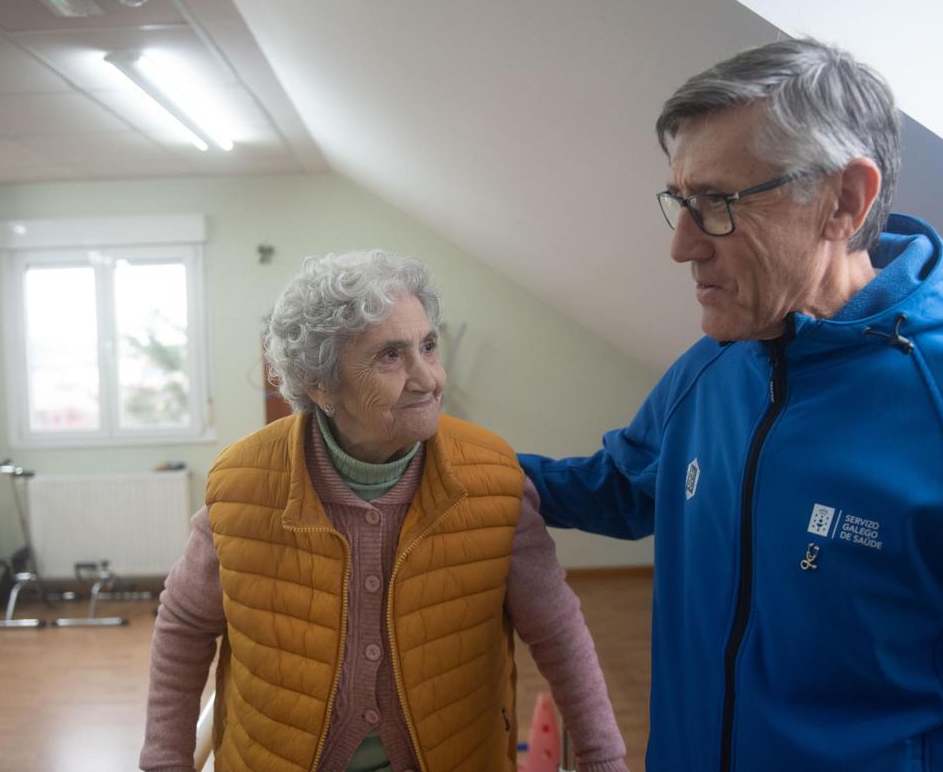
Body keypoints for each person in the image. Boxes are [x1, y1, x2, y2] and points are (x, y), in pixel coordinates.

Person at [519, 38, 943, 772]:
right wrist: (445, 459)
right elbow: (618, 485)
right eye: (681, 201)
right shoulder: (711, 367)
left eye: (716, 204)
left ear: (844, 201)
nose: (681, 246)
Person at [141, 250, 629, 772]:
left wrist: (602, 759)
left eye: (428, 346)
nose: (430, 380)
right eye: (390, 357)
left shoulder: (493, 478)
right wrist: (165, 761)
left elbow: (557, 630)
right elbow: (185, 626)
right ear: (321, 383)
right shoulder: (243, 483)